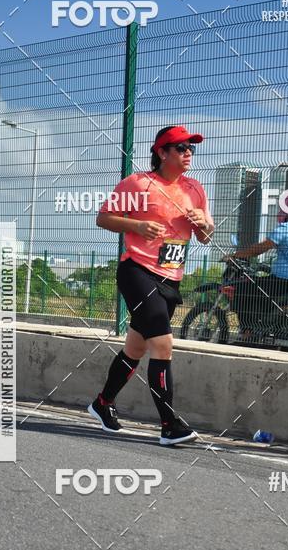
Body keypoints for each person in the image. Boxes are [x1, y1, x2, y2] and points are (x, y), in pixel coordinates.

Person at [89, 125, 214, 445]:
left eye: (192, 148)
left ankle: (102, 403)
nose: (189, 153)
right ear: (161, 152)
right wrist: (137, 225)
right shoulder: (138, 183)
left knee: (135, 348)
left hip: (171, 279)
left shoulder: (195, 189)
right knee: (163, 345)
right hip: (137, 272)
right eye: (181, 148)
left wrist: (203, 223)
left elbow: (206, 235)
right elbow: (104, 218)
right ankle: (170, 425)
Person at [226, 194, 288, 340]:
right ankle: (262, 328)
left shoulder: (286, 228)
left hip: (282, 282)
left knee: (243, 289)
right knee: (259, 289)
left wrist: (235, 255)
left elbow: (260, 248)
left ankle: (247, 332)